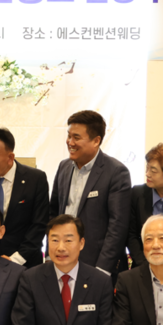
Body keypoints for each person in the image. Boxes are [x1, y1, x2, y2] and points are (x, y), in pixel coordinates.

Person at [49, 110, 131, 279]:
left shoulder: (116, 172)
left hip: (97, 266)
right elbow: (53, 214)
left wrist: (102, 270)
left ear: (96, 141)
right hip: (63, 262)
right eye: (68, 136)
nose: (70, 142)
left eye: (76, 137)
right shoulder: (64, 167)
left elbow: (118, 227)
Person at [0, 126, 50, 268]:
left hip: (25, 263)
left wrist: (16, 259)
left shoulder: (35, 179)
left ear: (10, 158)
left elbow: (39, 225)